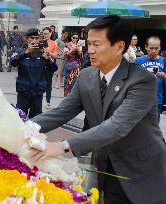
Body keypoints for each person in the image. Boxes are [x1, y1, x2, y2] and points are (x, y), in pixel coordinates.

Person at [29, 15, 166, 204]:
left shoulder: (142, 80)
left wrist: (62, 146)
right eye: (89, 43)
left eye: (97, 44)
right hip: (105, 165)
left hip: (141, 170)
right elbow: (61, 112)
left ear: (119, 46)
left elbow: (118, 126)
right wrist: (24, 128)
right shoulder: (86, 76)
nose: (90, 50)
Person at [11, 28, 58, 118]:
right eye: (32, 38)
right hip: (23, 91)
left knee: (36, 119)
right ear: (27, 39)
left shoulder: (43, 52)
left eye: (37, 38)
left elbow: (54, 68)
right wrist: (25, 53)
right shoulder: (20, 51)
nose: (34, 40)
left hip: (37, 92)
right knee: (20, 118)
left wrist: (47, 59)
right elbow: (13, 62)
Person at [134, 36, 166, 122]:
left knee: (154, 125)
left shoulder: (164, 61)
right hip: (140, 99)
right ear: (146, 47)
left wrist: (164, 76)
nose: (153, 51)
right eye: (151, 48)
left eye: (156, 48)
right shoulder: (138, 61)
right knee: (139, 125)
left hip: (157, 99)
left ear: (160, 47)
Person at [42, 27, 58, 109]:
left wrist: (49, 53)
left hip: (49, 65)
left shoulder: (54, 43)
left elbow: (55, 55)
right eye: (44, 33)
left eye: (47, 33)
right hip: (40, 65)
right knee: (39, 83)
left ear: (50, 33)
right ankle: (38, 99)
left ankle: (48, 102)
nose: (45, 35)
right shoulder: (40, 42)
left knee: (48, 84)